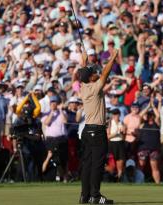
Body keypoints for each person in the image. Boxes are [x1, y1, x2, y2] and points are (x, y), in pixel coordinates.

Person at [77, 49, 118, 204]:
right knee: (97, 164)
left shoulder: (83, 86)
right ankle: (95, 195)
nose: (96, 74)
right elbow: (105, 74)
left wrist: (84, 60)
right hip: (97, 130)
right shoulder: (94, 88)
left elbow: (83, 73)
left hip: (87, 130)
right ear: (91, 77)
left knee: (87, 163)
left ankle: (84, 195)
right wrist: (113, 58)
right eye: (94, 73)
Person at [41, 96, 68, 182]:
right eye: (52, 103)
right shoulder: (46, 114)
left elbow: (65, 121)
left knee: (63, 158)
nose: (53, 104)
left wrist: (60, 110)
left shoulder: (62, 112)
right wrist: (52, 112)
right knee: (54, 158)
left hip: (61, 139)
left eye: (55, 102)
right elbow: (46, 123)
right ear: (49, 104)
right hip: (51, 140)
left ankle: (64, 177)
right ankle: (56, 176)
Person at [106, 108, 125, 180]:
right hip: (112, 143)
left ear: (119, 115)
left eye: (116, 114)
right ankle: (111, 177)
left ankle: (119, 178)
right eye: (113, 114)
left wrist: (123, 132)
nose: (114, 116)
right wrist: (117, 132)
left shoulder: (122, 123)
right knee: (111, 164)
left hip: (120, 143)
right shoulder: (110, 123)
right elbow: (108, 136)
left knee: (120, 161)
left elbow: (123, 136)